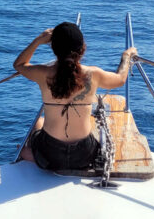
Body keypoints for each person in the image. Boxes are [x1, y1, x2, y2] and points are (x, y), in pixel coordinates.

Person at [14, 21, 137, 171]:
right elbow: (120, 79)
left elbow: (19, 64)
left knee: (39, 122)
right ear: (82, 49)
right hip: (84, 155)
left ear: (53, 49)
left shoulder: (42, 73)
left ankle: (34, 156)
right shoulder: (94, 74)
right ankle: (39, 157)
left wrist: (38, 40)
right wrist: (126, 56)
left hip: (50, 153)